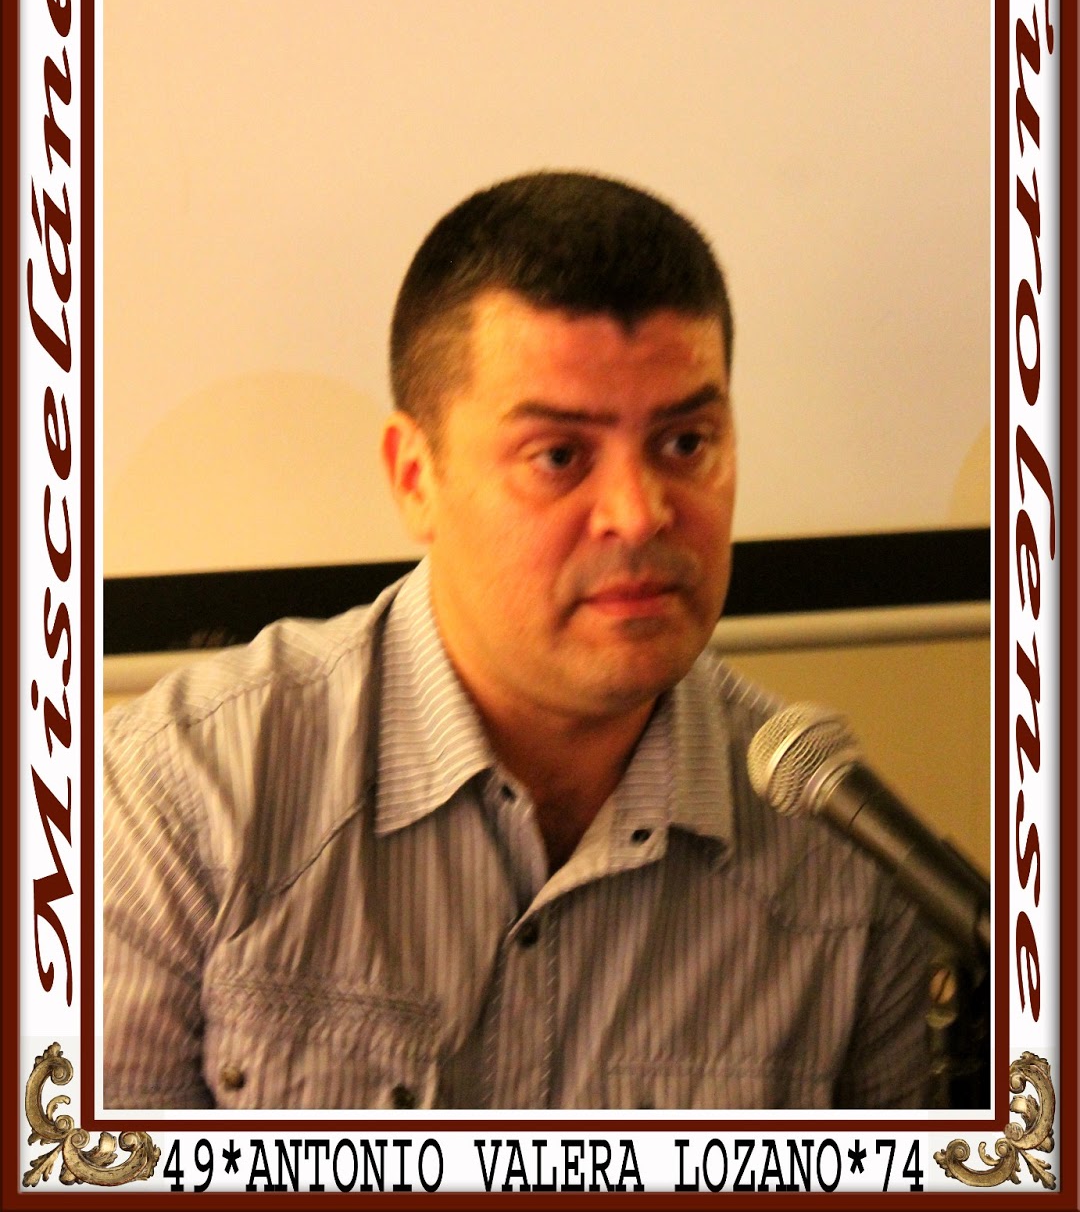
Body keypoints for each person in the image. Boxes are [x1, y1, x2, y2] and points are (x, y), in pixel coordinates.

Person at [103, 170, 932, 1110]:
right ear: (415, 477)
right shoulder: (186, 793)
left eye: (686, 443)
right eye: (559, 456)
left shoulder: (840, 860)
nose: (639, 513)